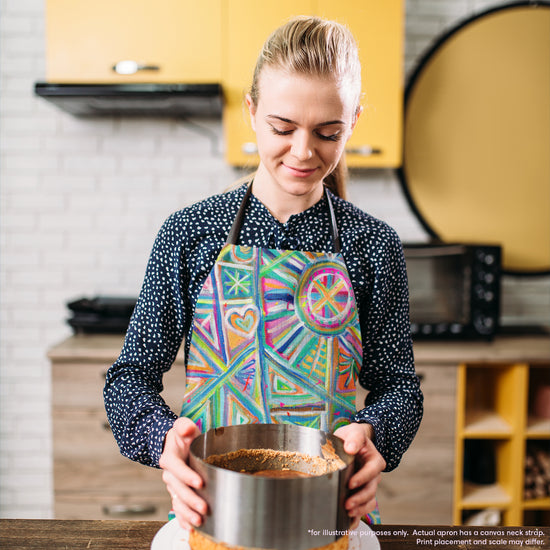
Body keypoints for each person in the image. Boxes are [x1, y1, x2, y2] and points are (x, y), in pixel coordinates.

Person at [104, 15, 423, 533]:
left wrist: (378, 439)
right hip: (216, 512)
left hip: (329, 515)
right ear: (251, 113)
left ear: (354, 121)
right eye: (282, 128)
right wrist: (164, 441)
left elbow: (399, 387)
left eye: (328, 132)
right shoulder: (190, 233)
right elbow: (128, 382)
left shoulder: (373, 246)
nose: (303, 152)